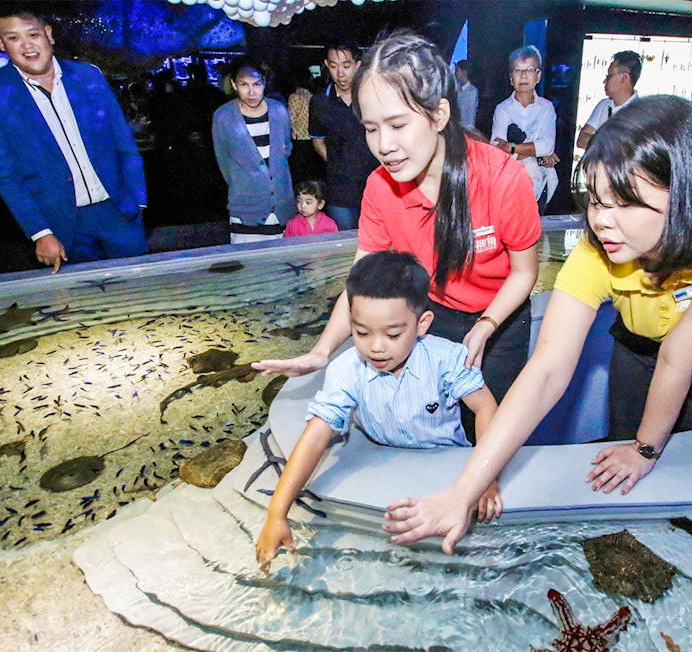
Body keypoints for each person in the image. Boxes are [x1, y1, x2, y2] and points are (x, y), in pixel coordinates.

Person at [381, 96, 692, 554]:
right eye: (595, 200)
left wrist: (646, 450)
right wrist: (463, 492)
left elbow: (680, 355)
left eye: (624, 204)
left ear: (686, 194)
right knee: (623, 456)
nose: (601, 221)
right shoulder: (598, 250)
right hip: (639, 343)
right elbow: (547, 369)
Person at [255, 30, 541, 415]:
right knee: (433, 419)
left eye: (397, 125)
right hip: (433, 313)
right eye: (371, 129)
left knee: (491, 424)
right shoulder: (379, 188)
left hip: (499, 320)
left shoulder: (503, 178)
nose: (383, 145)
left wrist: (488, 325)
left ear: (438, 114)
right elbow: (360, 280)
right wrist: (320, 352)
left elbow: (524, 273)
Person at [255, 251, 501, 571]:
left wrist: (487, 476)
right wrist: (277, 512)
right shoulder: (347, 370)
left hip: (446, 466)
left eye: (393, 334)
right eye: (362, 332)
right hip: (384, 469)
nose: (376, 347)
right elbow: (316, 437)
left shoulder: (447, 359)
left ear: (422, 323)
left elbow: (485, 407)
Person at [0, 7, 147, 273]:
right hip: (61, 225)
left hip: (119, 212)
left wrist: (138, 199)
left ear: (48, 34)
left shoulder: (88, 76)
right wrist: (40, 232)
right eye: (14, 38)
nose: (27, 45)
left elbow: (124, 143)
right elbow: (5, 174)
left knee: (144, 292)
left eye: (33, 34)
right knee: (86, 307)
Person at [212, 56, 294, 244]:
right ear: (234, 84)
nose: (251, 92)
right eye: (244, 85)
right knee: (250, 267)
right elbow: (223, 161)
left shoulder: (279, 111)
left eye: (256, 84)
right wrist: (245, 183)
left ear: (264, 83)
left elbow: (286, 150)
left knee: (282, 265)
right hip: (245, 207)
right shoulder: (223, 117)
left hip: (280, 206)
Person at [308, 40, 379, 231]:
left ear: (357, 65)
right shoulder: (320, 101)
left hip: (375, 186)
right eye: (333, 66)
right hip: (340, 191)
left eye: (346, 65)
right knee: (346, 246)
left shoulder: (373, 96)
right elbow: (317, 139)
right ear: (326, 65)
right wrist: (336, 162)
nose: (340, 73)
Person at [491, 46, 559, 214]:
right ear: (510, 78)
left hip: (539, 185)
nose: (523, 76)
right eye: (517, 70)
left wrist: (511, 147)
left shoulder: (546, 108)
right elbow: (497, 152)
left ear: (538, 76)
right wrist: (537, 152)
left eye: (529, 70)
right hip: (509, 186)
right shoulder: (502, 109)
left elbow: (547, 146)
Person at [576, 50, 641, 150]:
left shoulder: (641, 113)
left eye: (609, 76)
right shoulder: (604, 105)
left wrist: (595, 141)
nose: (604, 81)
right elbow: (581, 140)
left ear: (624, 78)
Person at [454, 60, 479, 131]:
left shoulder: (472, 91)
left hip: (465, 130)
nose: (455, 73)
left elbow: (470, 114)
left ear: (464, 72)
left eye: (457, 70)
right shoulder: (456, 89)